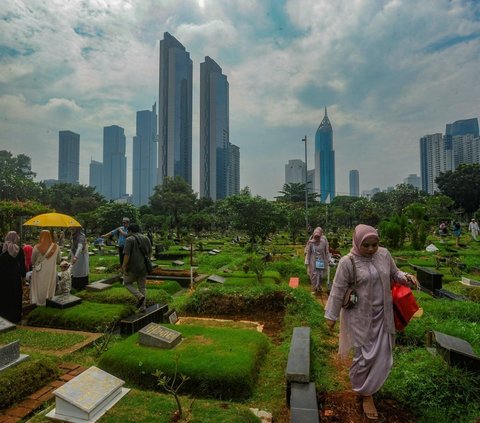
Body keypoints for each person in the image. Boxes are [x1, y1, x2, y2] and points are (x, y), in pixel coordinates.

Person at [324, 224, 419, 420]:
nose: (370, 249)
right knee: (364, 356)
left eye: (374, 245)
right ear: (357, 243)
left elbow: (394, 274)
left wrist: (407, 278)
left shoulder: (384, 255)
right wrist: (331, 316)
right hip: (359, 316)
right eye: (365, 245)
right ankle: (365, 392)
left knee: (384, 355)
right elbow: (338, 290)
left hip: (383, 314)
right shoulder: (347, 262)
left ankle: (369, 388)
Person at [122, 223, 152, 313]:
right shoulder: (146, 238)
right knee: (142, 287)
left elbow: (127, 254)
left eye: (128, 231)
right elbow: (150, 252)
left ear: (130, 231)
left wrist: (123, 266)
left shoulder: (129, 239)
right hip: (143, 267)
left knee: (126, 283)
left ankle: (139, 296)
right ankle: (143, 307)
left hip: (132, 267)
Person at [0, 231, 26, 323]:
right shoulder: (19, 249)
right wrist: (23, 276)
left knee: (4, 294)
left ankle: (3, 315)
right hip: (14, 275)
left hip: (3, 276)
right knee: (15, 295)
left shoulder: (2, 248)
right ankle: (15, 317)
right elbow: (23, 264)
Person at [30, 230, 61, 306]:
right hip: (51, 271)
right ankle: (49, 301)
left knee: (39, 287)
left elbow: (32, 261)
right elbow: (58, 261)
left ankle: (38, 302)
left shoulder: (36, 247)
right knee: (49, 286)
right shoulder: (56, 247)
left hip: (39, 271)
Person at [305, 226, 331, 293]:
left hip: (320, 260)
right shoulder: (311, 242)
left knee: (320, 274)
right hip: (312, 260)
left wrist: (328, 259)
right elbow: (308, 253)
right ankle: (314, 288)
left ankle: (319, 286)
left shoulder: (323, 241)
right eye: (315, 236)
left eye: (318, 236)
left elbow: (326, 250)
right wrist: (307, 262)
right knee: (314, 274)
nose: (317, 238)